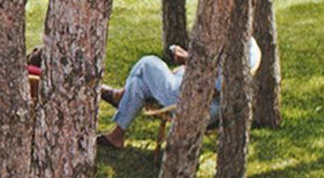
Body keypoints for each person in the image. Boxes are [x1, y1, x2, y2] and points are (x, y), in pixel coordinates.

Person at [97, 38, 260, 149]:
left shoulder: (241, 54)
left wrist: (189, 62)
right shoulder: (249, 44)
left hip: (198, 105)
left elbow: (213, 90)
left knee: (147, 64)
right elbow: (214, 72)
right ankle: (116, 136)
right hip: (197, 91)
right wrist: (188, 61)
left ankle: (120, 97)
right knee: (139, 84)